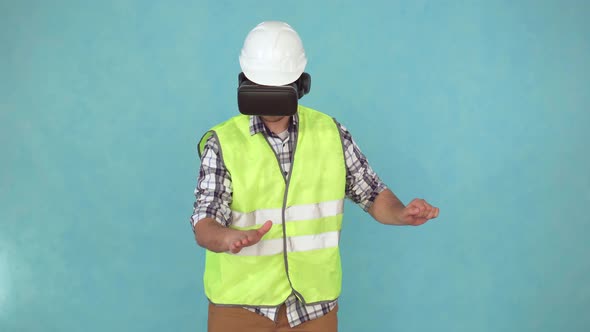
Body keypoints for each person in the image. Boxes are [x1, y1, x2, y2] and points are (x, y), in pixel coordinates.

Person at [190, 21, 440, 332]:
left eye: (277, 90)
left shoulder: (331, 133)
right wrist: (227, 238)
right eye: (260, 88)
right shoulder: (223, 142)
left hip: (314, 307)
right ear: (245, 82)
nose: (268, 98)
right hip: (241, 307)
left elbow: (372, 193)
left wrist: (401, 213)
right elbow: (204, 222)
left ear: (300, 85)